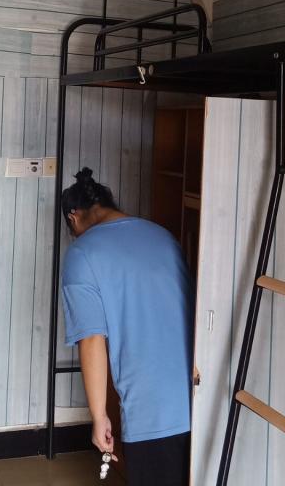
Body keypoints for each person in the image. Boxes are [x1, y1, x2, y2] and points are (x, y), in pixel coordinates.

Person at [60, 167, 194, 486]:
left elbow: (91, 339)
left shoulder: (82, 254)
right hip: (199, 392)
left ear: (73, 218)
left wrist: (99, 417)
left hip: (150, 408)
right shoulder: (163, 236)